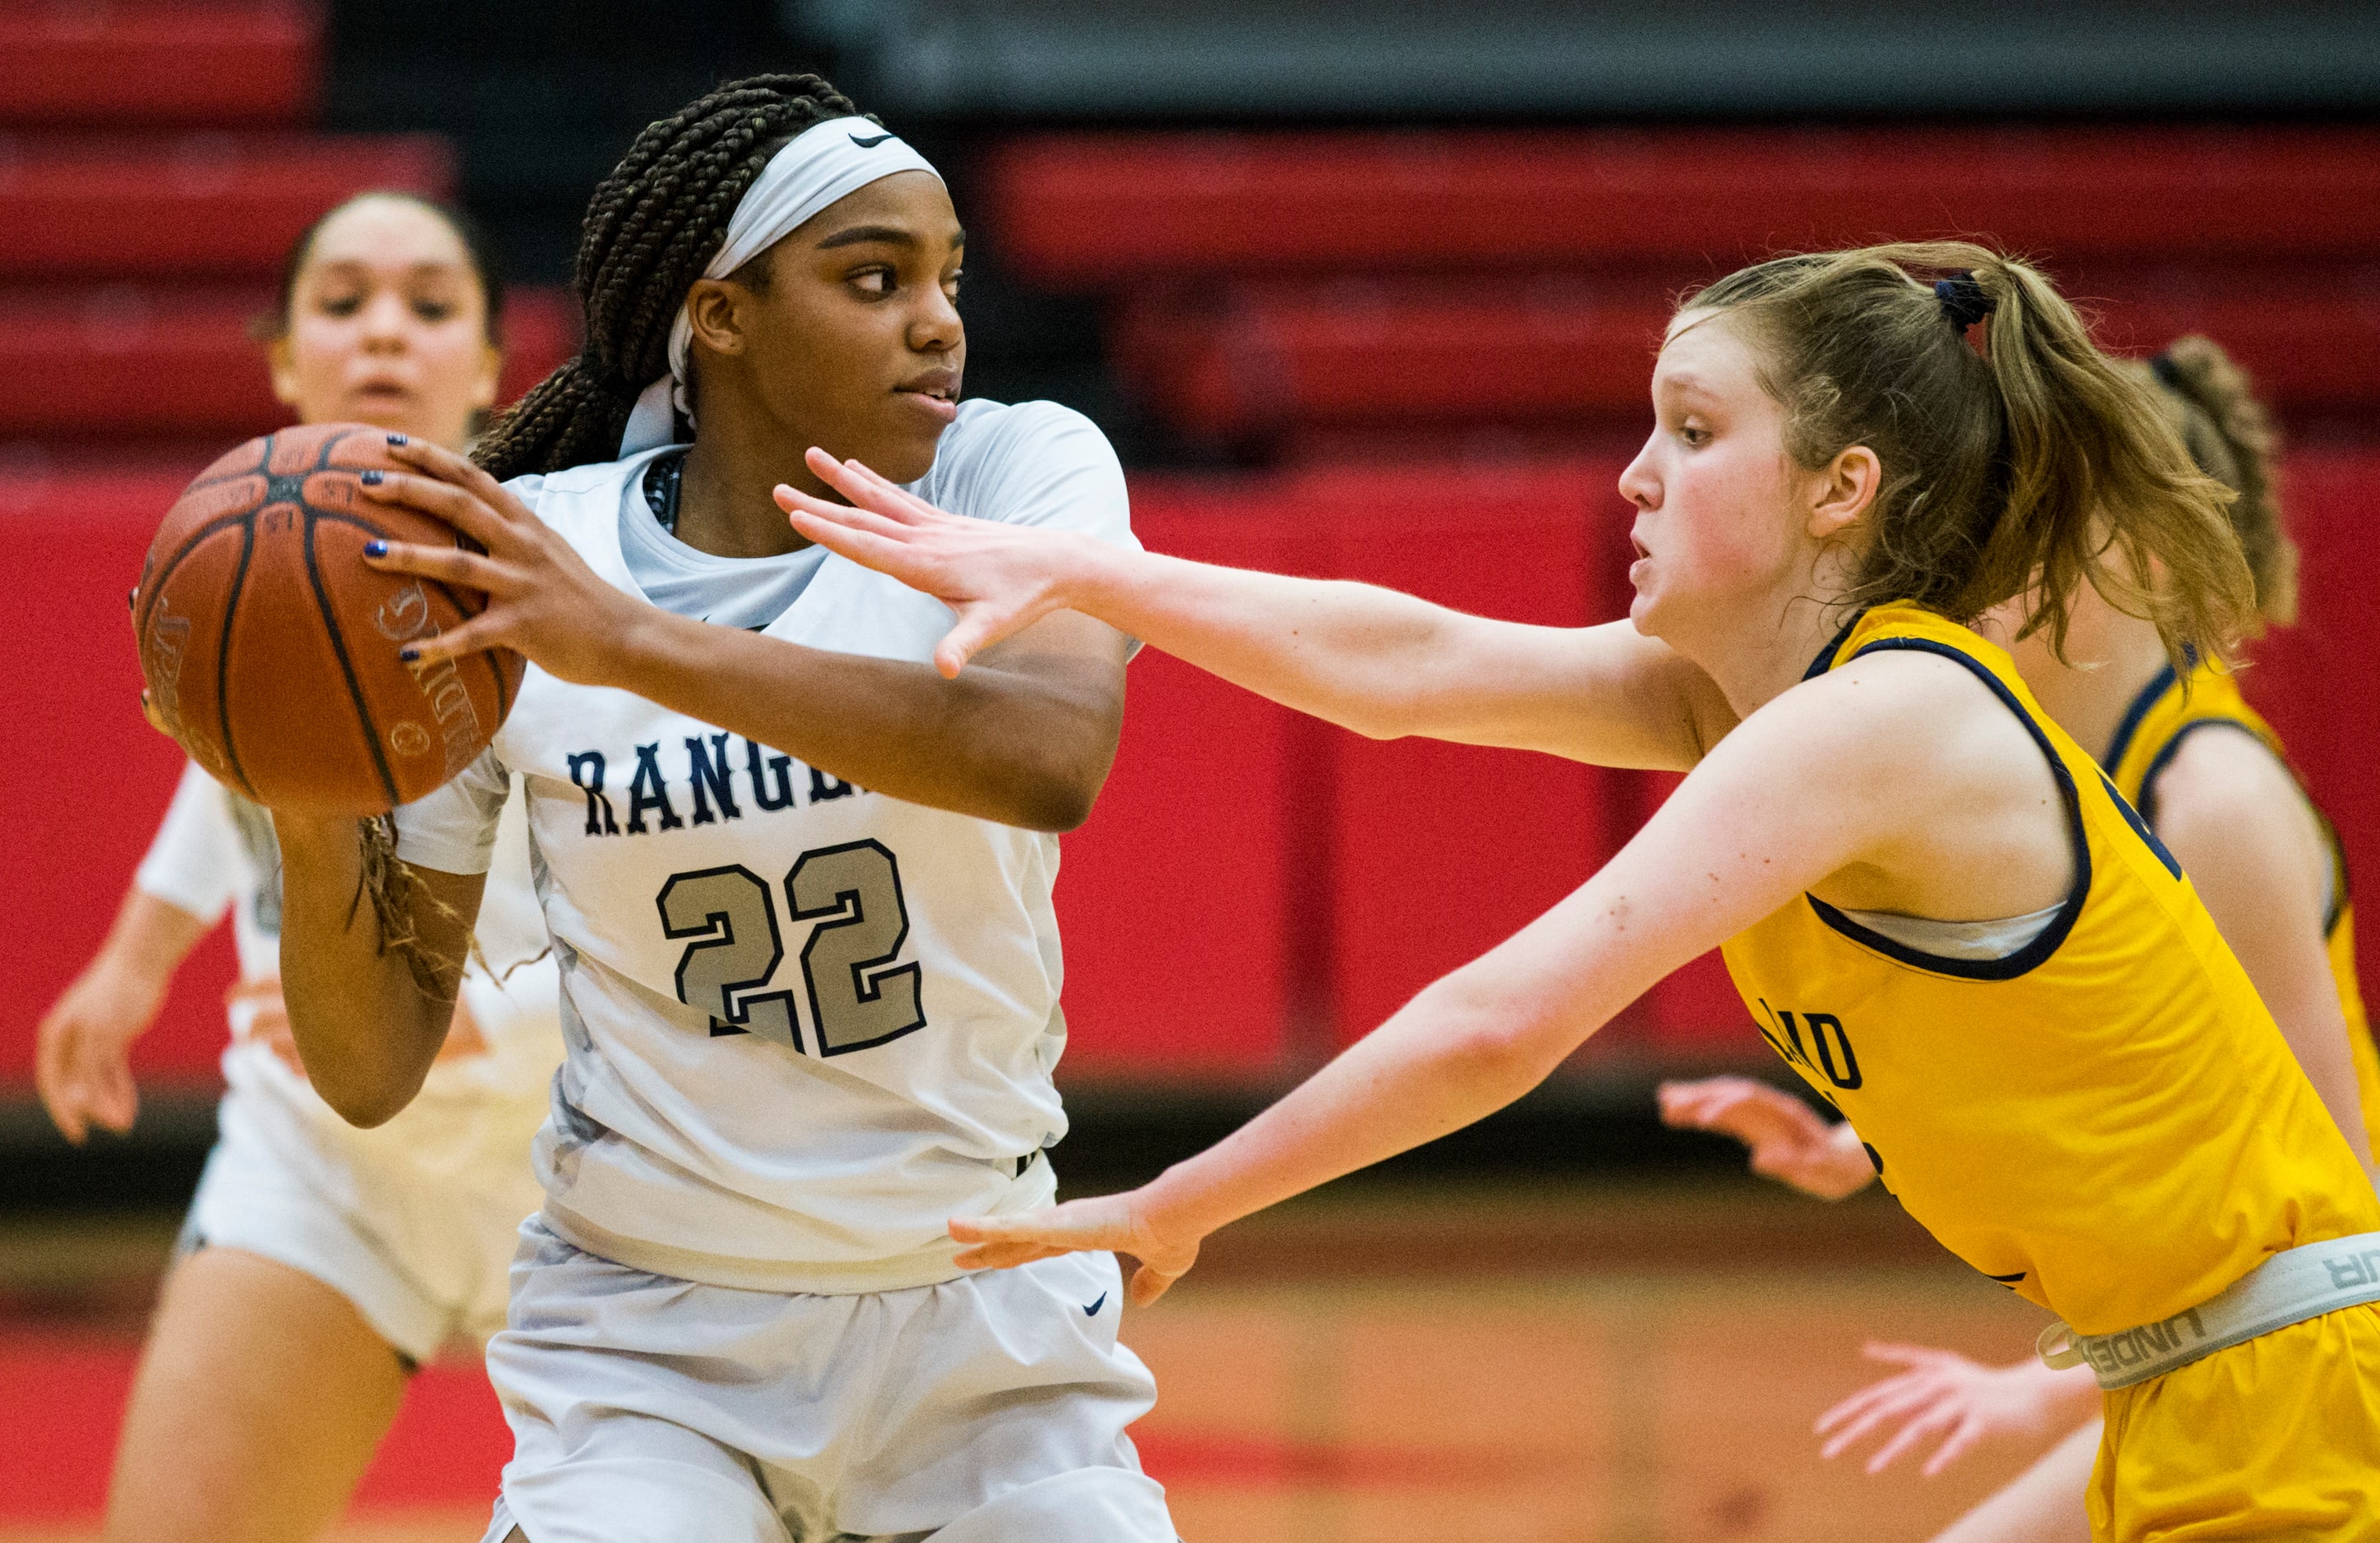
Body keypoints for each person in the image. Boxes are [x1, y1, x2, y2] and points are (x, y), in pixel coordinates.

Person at [778, 244, 2380, 1540]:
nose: (1634, 475)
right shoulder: (1758, 701)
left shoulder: (1882, 721)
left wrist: (1175, 1204)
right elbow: (1402, 663)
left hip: (2301, 1396)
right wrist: (1091, 571)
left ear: (1841, 489)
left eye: (1692, 429)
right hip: (2200, 1388)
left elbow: (1499, 1021)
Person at [267, 75, 1176, 1543]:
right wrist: (312, 811)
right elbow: (371, 1065)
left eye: (944, 278)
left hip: (982, 1323)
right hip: (650, 1343)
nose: (937, 320)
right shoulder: (523, 561)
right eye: (873, 279)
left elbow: (1048, 754)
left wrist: (634, 646)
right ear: (722, 314)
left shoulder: (1018, 468)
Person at [1661, 335, 2380, 1542]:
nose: (1970, 557)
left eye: (2016, 521)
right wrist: (1865, 1140)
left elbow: (2335, 1211)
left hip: (2299, 1366)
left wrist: (2033, 1386)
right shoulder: (2042, 760)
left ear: (2136, 553)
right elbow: (2119, 1075)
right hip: (2204, 1354)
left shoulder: (2209, 796)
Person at [34, 191, 562, 1543]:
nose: (385, 327)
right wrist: (131, 962)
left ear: (491, 364)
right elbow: (223, 787)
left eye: (430, 303)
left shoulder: (564, 572)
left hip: (584, 1163)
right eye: (343, 300)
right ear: (282, 358)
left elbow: (654, 875)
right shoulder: (240, 567)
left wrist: (474, 1022)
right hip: (322, 1151)